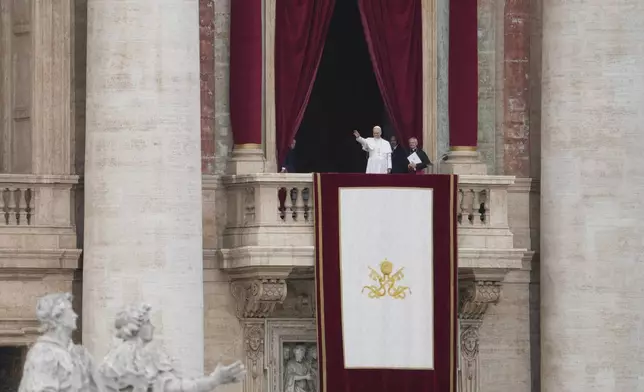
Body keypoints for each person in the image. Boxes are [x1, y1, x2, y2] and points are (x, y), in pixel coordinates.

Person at [99, 304, 246, 392]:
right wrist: (213, 381)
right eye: (147, 322)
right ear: (136, 326)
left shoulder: (114, 357)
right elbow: (175, 388)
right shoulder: (139, 356)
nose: (153, 326)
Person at [18, 293, 103, 392]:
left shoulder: (77, 353)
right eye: (70, 310)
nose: (75, 315)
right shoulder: (43, 353)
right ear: (57, 316)